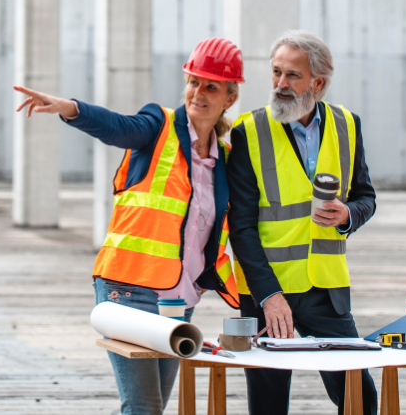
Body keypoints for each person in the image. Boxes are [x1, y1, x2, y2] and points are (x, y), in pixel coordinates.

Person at [14, 37, 243, 415]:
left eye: (210, 86)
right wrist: (72, 109)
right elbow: (118, 127)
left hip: (178, 301)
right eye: (192, 81)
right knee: (143, 407)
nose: (197, 92)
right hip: (126, 289)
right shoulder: (158, 127)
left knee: (155, 406)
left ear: (229, 98)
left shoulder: (226, 160)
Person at [227, 30, 378, 415]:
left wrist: (348, 215)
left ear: (318, 83)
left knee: (360, 397)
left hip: (325, 289)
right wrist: (268, 296)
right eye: (276, 72)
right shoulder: (248, 132)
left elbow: (366, 198)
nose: (280, 84)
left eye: (292, 75)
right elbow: (240, 228)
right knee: (268, 405)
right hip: (266, 293)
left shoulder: (348, 125)